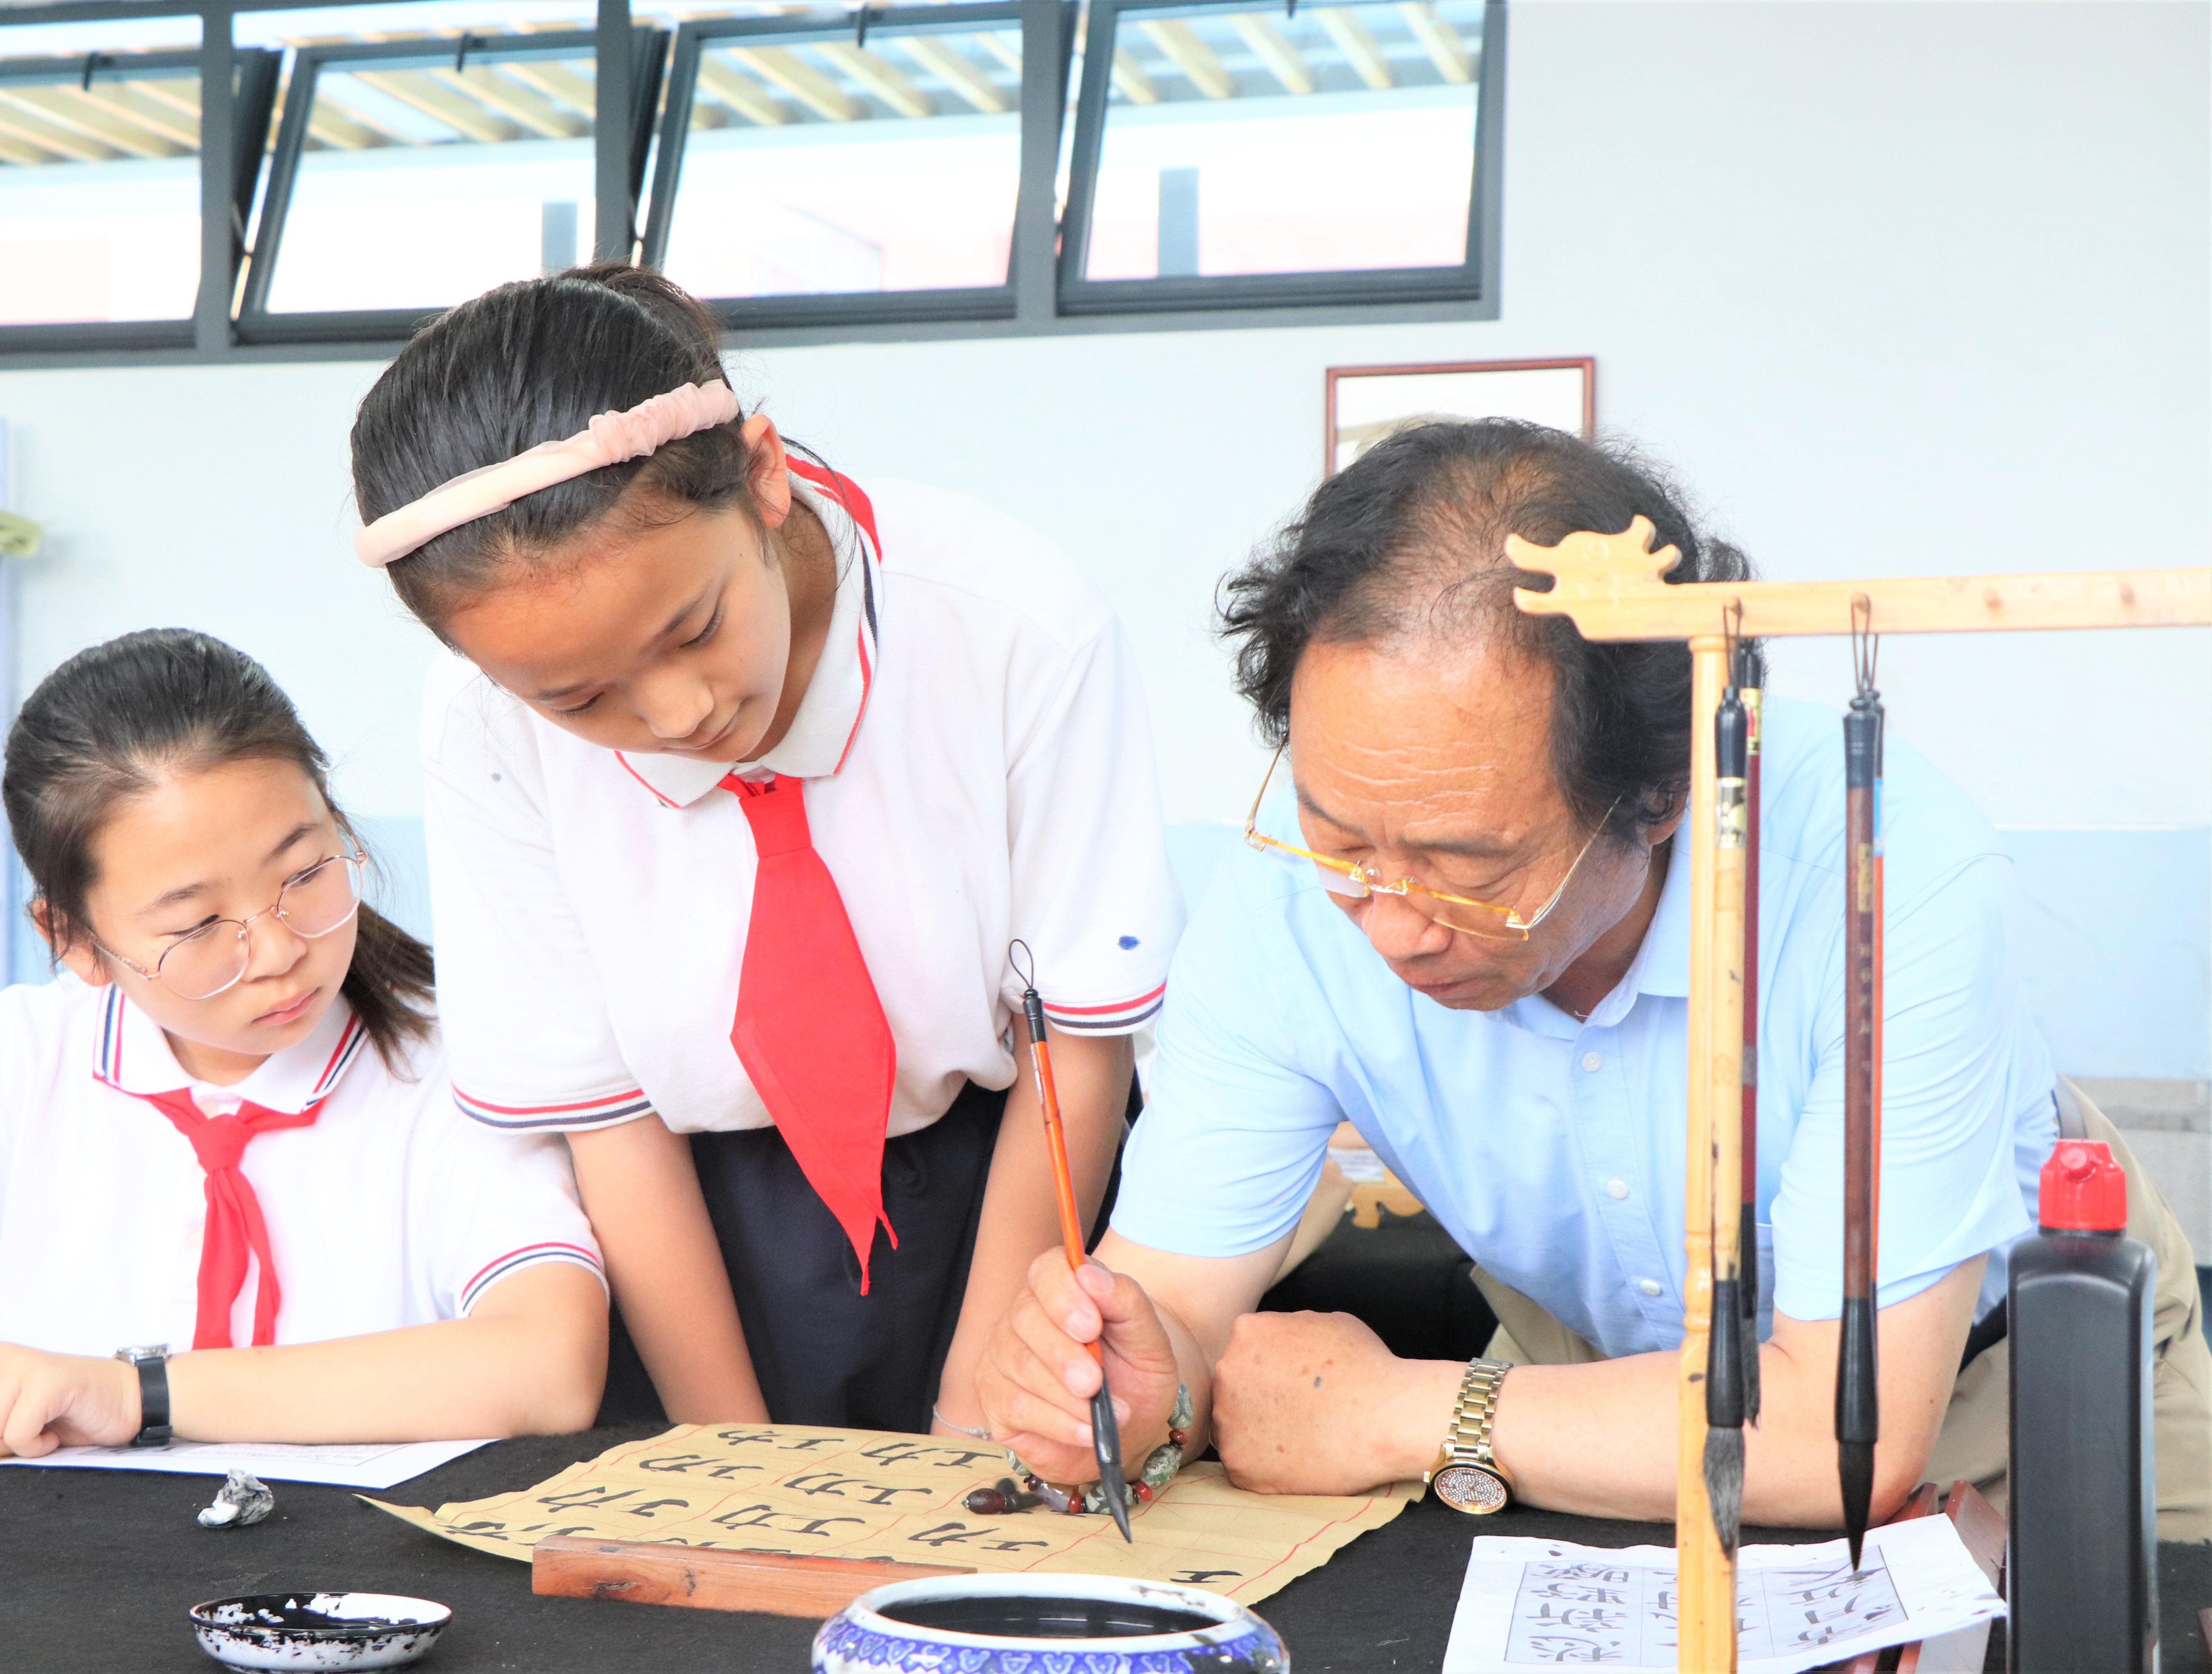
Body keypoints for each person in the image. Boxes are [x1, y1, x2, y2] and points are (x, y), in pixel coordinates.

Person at [979, 420, 2207, 1535]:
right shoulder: (1293, 901)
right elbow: (1177, 1304)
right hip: (1584, 1421)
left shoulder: (1888, 876)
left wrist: (1408, 1414)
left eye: (1468, 867)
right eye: (1342, 839)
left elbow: (1846, 1432)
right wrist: (1139, 1380)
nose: (1393, 924)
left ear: (1662, 795)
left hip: (2016, 1390)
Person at [347, 266, 1181, 1434]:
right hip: (684, 1234)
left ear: (765, 476)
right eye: (581, 698)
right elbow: (608, 1117)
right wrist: (733, 1462)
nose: (680, 713)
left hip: (1008, 1197)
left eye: (694, 629)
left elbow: (1078, 1053)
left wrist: (981, 1403)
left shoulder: (1011, 624)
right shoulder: (481, 724)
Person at [0, 630, 609, 1473]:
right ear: (76, 940)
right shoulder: (22, 1058)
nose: (279, 948)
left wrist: (133, 1391)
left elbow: (548, 1363)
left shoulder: (453, 1055)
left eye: (305, 871)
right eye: (197, 923)